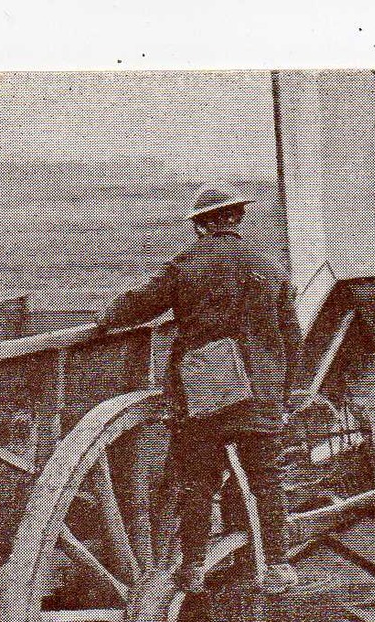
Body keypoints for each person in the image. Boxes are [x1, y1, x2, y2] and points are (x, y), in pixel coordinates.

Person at [94, 183, 302, 596]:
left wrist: (105, 323)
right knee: (266, 478)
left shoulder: (187, 265)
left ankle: (192, 566)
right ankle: (277, 564)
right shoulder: (271, 266)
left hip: (205, 390)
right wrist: (285, 389)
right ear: (239, 219)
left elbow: (137, 304)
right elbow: (291, 335)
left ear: (201, 226)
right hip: (261, 392)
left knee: (198, 482)